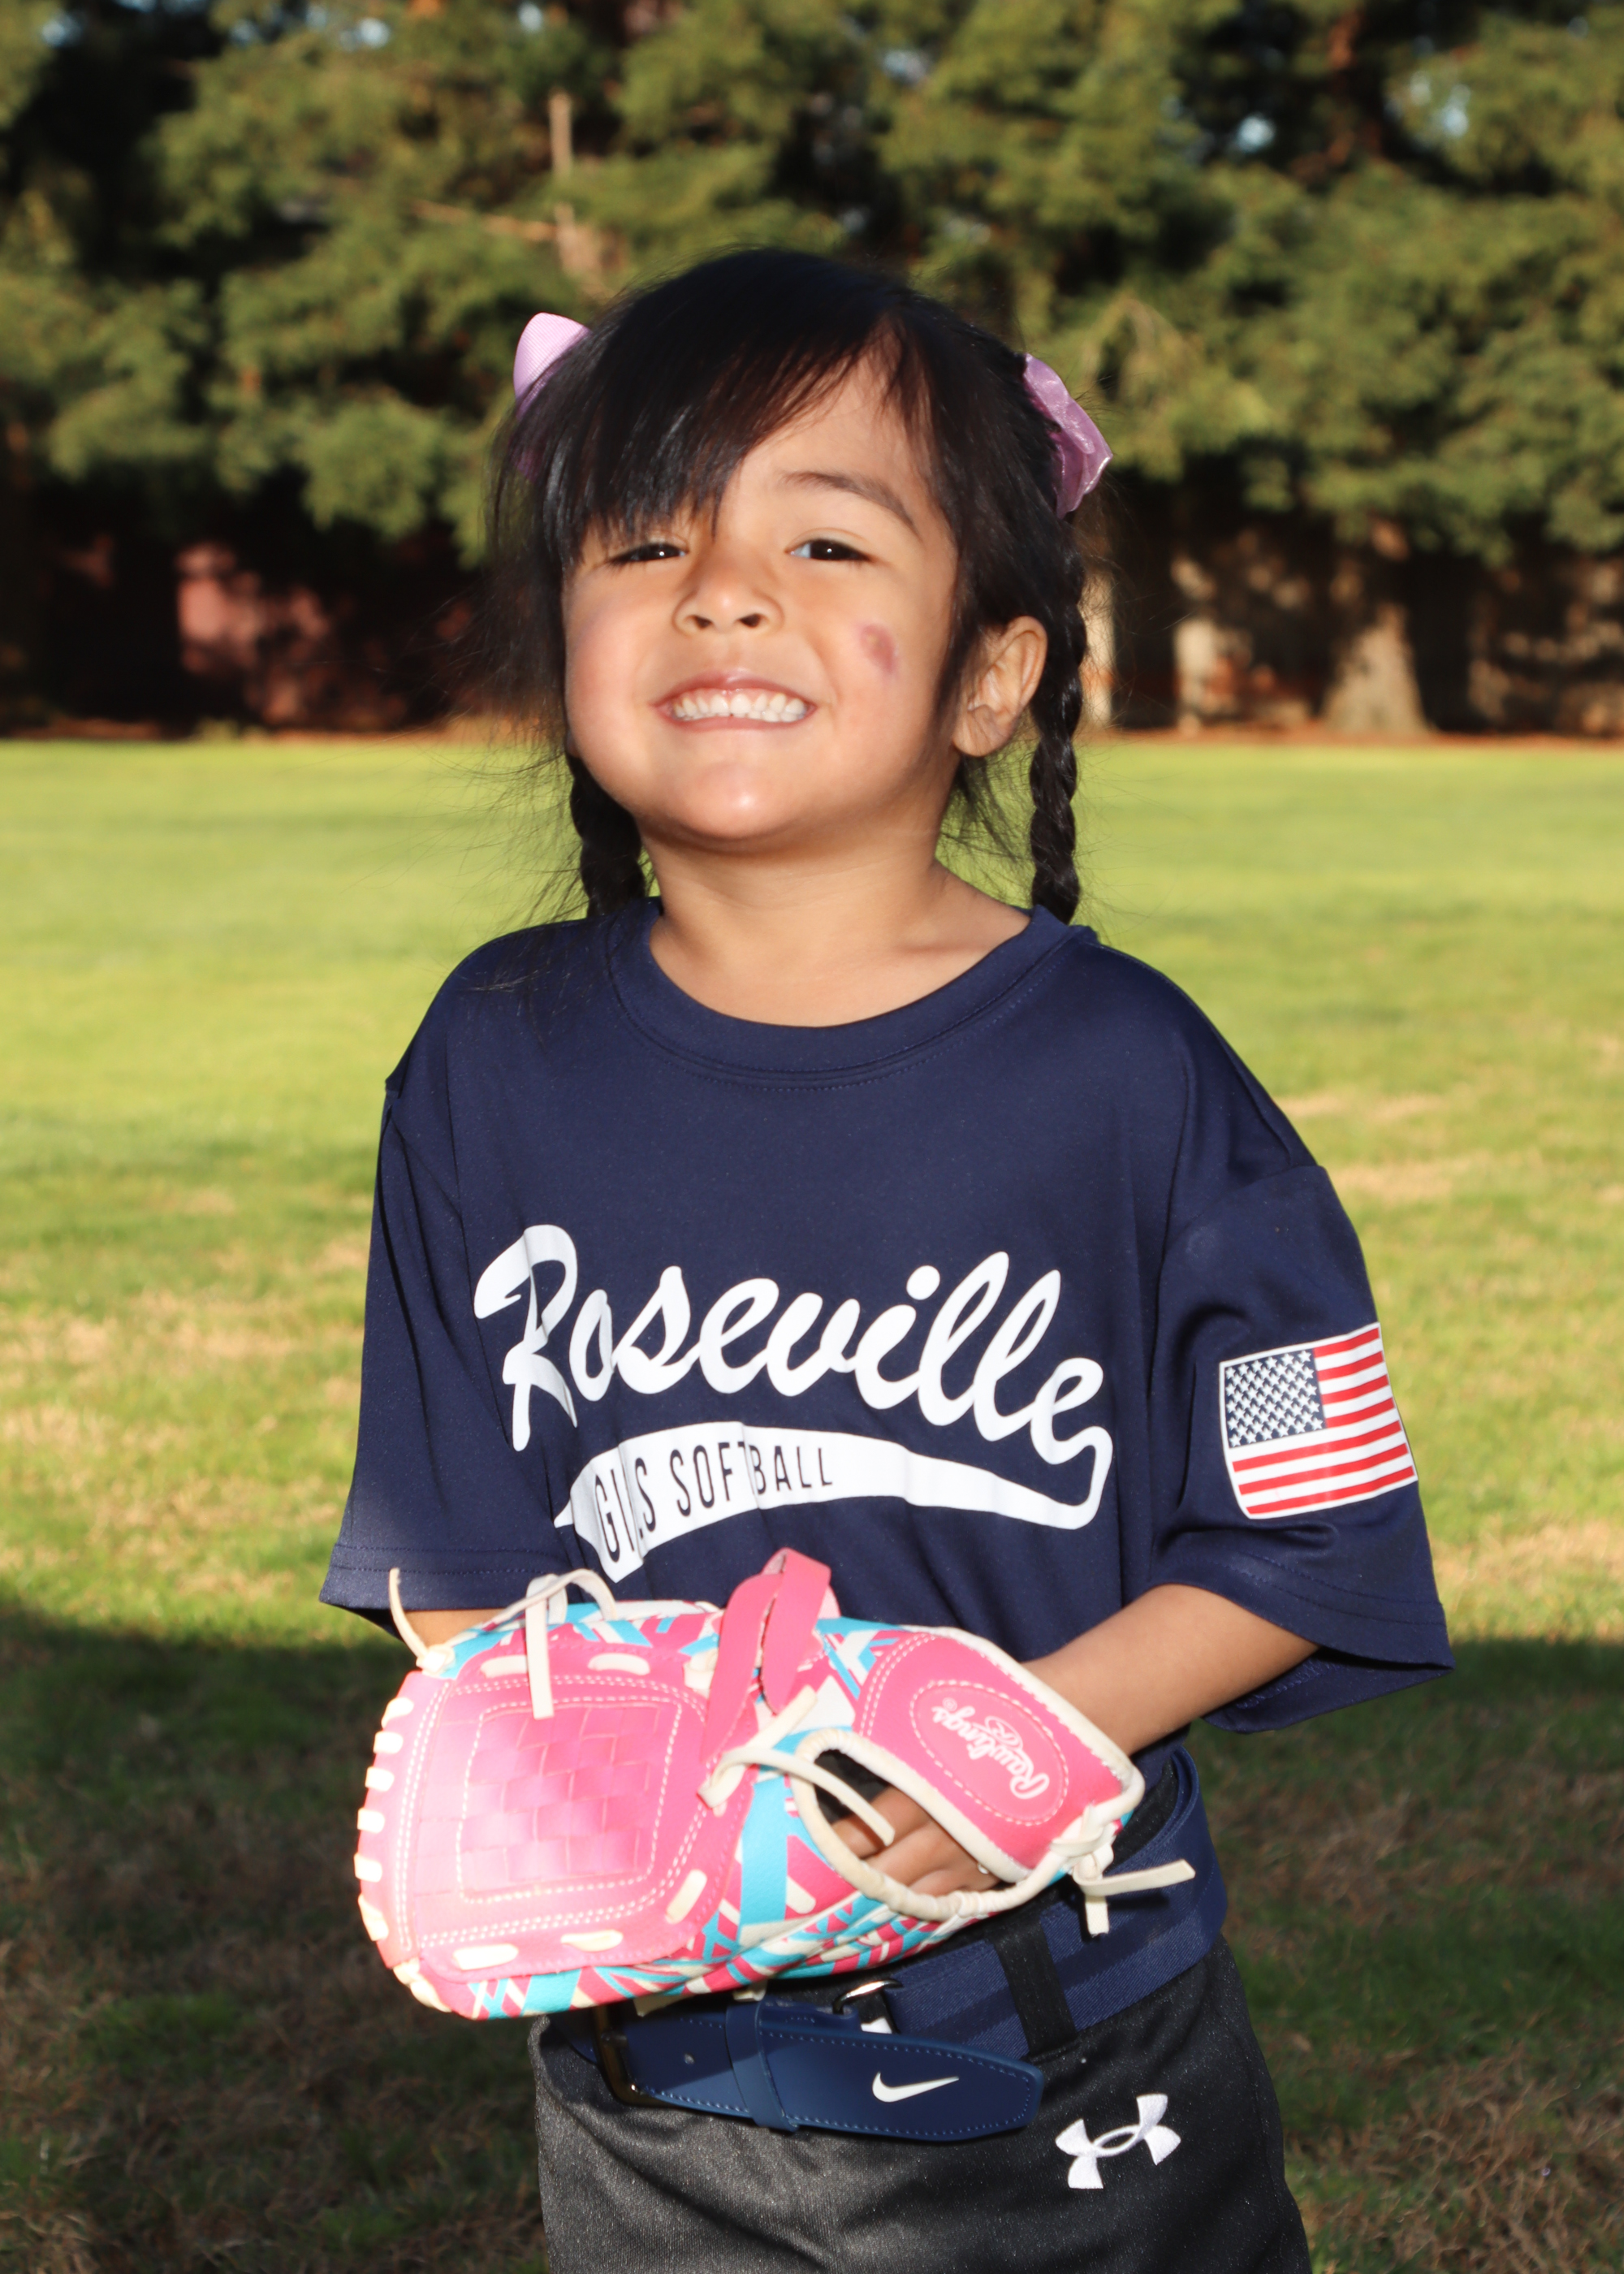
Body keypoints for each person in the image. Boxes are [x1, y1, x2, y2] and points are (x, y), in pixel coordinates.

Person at [321, 249, 1451, 2272]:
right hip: (655, 2073)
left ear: (991, 674)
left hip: (1069, 2039)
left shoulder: (1133, 1074)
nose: (720, 592)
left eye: (823, 538)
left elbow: (1310, 1523)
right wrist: (590, 1793)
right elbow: (458, 1562)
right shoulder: (490, 1060)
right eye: (645, 539)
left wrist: (1014, 1737)